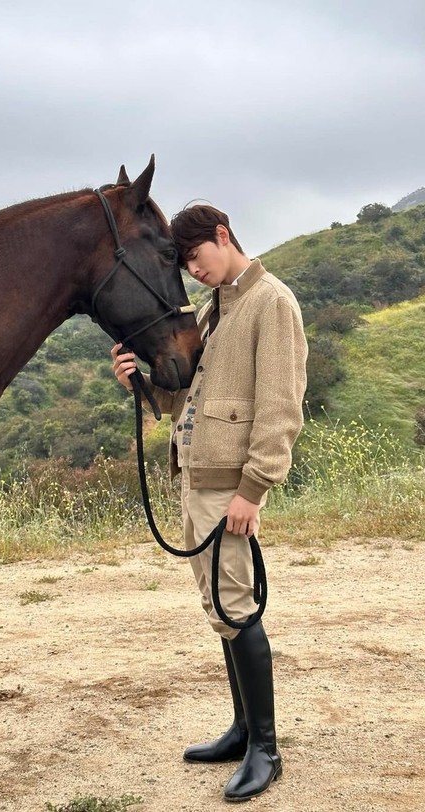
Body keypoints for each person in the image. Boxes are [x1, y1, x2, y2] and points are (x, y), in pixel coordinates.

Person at [111, 203, 307, 803]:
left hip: (229, 486)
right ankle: (243, 730)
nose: (193, 271)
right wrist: (139, 386)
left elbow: (280, 409)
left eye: (195, 257)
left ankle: (264, 751)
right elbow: (187, 398)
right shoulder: (215, 309)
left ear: (223, 237)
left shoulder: (271, 302)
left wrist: (254, 489)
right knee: (219, 604)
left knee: (238, 605)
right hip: (195, 475)